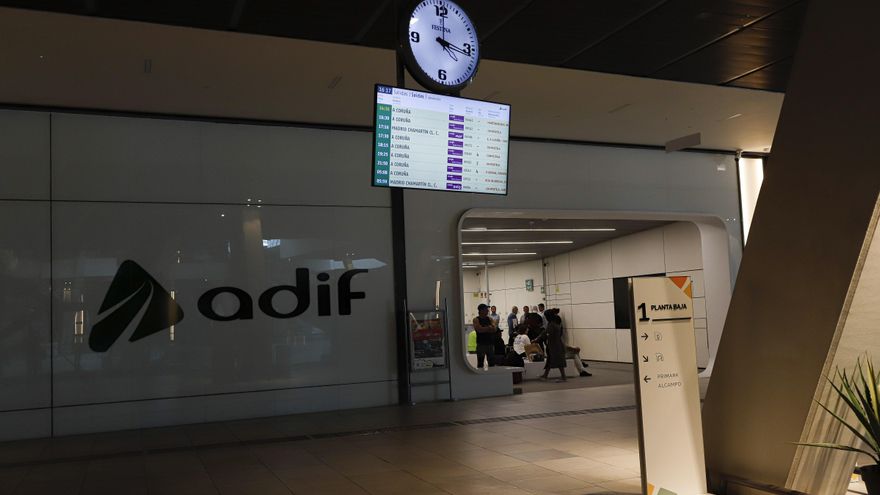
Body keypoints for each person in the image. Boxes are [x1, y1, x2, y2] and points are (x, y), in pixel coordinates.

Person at [535, 312, 567, 382]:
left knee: (558, 361)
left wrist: (537, 339)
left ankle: (563, 377)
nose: (545, 318)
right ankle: (545, 375)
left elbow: (545, 333)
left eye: (546, 316)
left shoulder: (551, 325)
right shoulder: (554, 323)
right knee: (550, 360)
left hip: (554, 345)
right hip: (556, 344)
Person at [472, 303, 497, 369]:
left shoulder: (490, 319)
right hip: (481, 344)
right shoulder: (476, 319)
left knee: (492, 364)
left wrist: (484, 328)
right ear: (481, 310)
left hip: (490, 344)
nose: (488, 311)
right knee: (480, 364)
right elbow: (479, 330)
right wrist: (489, 327)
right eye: (486, 309)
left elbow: (494, 329)